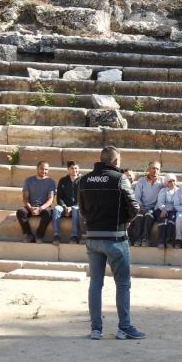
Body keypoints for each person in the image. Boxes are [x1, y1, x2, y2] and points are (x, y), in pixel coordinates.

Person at [78, 146, 145, 341]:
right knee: (123, 284)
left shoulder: (84, 180)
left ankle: (96, 329)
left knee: (95, 284)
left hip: (92, 238)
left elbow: (82, 209)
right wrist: (126, 220)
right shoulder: (119, 179)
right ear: (115, 162)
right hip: (115, 237)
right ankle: (124, 328)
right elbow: (134, 206)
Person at [16, 161, 57, 243]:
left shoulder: (51, 182)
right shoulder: (29, 180)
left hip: (43, 206)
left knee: (49, 213)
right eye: (42, 169)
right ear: (37, 168)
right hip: (31, 206)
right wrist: (30, 208)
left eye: (46, 169)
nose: (44, 171)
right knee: (20, 212)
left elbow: (50, 199)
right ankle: (29, 235)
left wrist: (41, 208)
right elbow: (25, 197)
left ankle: (39, 236)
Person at [130, 161, 163, 247]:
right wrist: (140, 206)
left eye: (157, 169)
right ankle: (137, 239)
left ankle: (145, 239)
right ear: (149, 169)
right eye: (153, 168)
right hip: (141, 206)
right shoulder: (141, 180)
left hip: (153, 208)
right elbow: (137, 196)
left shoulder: (162, 182)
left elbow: (173, 187)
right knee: (139, 216)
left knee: (149, 216)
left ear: (159, 171)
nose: (155, 170)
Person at [52, 160, 81, 245]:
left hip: (76, 206)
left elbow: (83, 198)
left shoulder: (82, 181)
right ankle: (56, 235)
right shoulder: (63, 180)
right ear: (68, 169)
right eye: (72, 168)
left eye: (76, 168)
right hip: (64, 206)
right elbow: (59, 197)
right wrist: (64, 206)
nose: (74, 170)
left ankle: (74, 236)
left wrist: (72, 207)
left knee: (75, 209)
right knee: (57, 209)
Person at [156, 174, 178, 248]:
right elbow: (160, 202)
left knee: (171, 220)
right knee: (163, 220)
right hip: (161, 209)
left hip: (172, 210)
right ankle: (161, 241)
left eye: (173, 181)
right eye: (169, 181)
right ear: (166, 182)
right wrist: (163, 209)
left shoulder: (178, 191)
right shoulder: (163, 190)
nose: (172, 183)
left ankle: (169, 242)